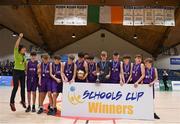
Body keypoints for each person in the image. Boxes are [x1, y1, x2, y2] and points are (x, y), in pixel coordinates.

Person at [10, 33, 27, 111]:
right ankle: (12, 102)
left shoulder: (24, 56)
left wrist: (26, 71)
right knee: (16, 87)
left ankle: (23, 101)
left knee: (23, 87)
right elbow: (16, 46)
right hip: (16, 72)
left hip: (22, 72)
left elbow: (25, 64)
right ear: (20, 49)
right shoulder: (16, 53)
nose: (25, 50)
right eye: (24, 49)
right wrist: (20, 37)